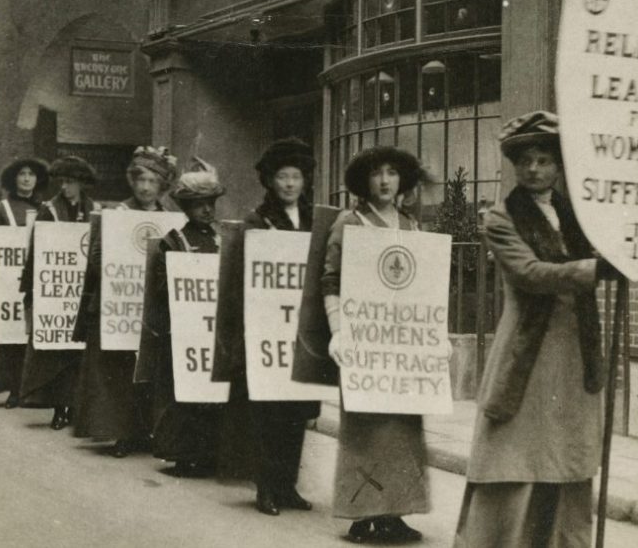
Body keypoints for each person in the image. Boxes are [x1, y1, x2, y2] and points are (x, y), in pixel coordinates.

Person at [454, 111, 618, 547]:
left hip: (574, 352)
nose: (533, 169)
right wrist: (595, 268)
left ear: (557, 167)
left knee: (566, 459)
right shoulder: (501, 217)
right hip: (527, 354)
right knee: (516, 456)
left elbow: (612, 251)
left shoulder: (578, 216)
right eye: (525, 161)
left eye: (543, 160)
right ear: (515, 166)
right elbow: (530, 273)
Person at [323, 146, 430, 543]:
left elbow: (422, 284)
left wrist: (433, 336)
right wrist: (338, 329)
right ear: (364, 182)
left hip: (402, 342)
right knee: (365, 427)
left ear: (402, 180)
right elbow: (330, 279)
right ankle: (360, 514)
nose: (385, 181)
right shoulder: (350, 222)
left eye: (392, 173)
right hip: (363, 338)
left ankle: (394, 512)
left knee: (402, 428)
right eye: (376, 174)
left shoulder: (411, 225)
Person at [210, 138, 321, 515]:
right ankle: (266, 488)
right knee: (267, 414)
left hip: (300, 331)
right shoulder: (257, 222)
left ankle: (288, 485)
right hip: (267, 331)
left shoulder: (315, 222)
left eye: (296, 176)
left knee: (296, 413)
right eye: (282, 177)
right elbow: (242, 279)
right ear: (270, 181)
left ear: (305, 180)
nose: (290, 184)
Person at [74, 146, 177, 455]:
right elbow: (95, 258)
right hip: (120, 303)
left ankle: (147, 431)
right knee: (119, 372)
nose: (146, 187)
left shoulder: (169, 218)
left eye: (153, 182)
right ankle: (121, 432)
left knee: (149, 371)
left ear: (162, 186)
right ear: (132, 181)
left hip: (152, 307)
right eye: (141, 180)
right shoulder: (117, 215)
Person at [140, 158, 227, 476]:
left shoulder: (222, 240)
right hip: (183, 331)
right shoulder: (174, 241)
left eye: (210, 204)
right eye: (199, 205)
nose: (207, 210)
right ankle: (184, 453)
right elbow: (161, 290)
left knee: (213, 393)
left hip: (213, 329)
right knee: (183, 395)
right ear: (187, 208)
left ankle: (211, 452)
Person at [20, 156, 98, 430]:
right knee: (57, 352)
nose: (66, 187)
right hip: (56, 290)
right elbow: (36, 252)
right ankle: (59, 408)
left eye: (71, 182)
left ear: (81, 183)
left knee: (79, 353)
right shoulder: (48, 210)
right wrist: (31, 290)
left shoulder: (94, 210)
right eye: (63, 182)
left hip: (82, 291)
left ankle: (75, 405)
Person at [0, 157, 48, 408]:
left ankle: (34, 389)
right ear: (14, 179)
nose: (27, 179)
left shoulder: (45, 208)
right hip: (8, 281)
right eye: (22, 174)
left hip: (35, 279)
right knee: (11, 336)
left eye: (31, 174)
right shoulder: (1, 209)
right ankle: (13, 389)